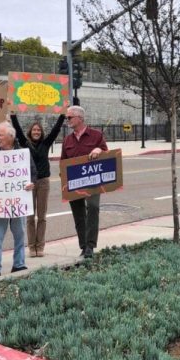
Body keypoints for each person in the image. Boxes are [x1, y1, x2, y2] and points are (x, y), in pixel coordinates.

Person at [0, 122, 36, 279]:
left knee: (20, 235)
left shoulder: (22, 154)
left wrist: (32, 183)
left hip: (17, 202)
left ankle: (18, 264)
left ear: (11, 137)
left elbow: (33, 173)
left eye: (0, 135)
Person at [10, 111, 65, 257]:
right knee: (30, 217)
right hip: (29, 183)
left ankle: (40, 246)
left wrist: (63, 115)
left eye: (38, 130)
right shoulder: (25, 143)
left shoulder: (46, 143)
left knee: (41, 216)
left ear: (41, 133)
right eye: (34, 130)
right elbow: (18, 131)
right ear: (30, 132)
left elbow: (56, 130)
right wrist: (13, 115)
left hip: (43, 183)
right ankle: (31, 247)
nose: (36, 132)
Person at [60, 105, 108, 259]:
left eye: (69, 117)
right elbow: (63, 161)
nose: (67, 120)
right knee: (78, 213)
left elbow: (107, 153)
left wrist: (99, 150)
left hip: (92, 180)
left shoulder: (96, 135)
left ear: (79, 118)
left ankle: (91, 245)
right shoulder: (67, 140)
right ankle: (83, 245)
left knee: (93, 208)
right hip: (74, 182)